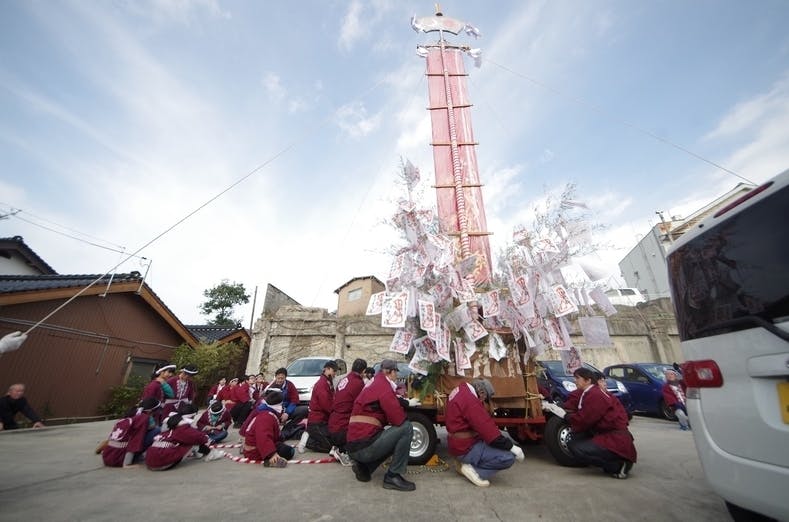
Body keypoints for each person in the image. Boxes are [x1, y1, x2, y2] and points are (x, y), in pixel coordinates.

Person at [543, 367, 637, 479]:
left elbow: (584, 419)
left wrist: (565, 415)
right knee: (576, 439)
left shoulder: (595, 394)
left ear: (588, 381)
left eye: (577, 378)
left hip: (614, 438)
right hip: (609, 434)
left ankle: (618, 464)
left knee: (576, 447)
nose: (575, 381)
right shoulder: (590, 393)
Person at [345, 359, 416, 492]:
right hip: (363, 447)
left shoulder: (375, 382)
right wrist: (408, 409)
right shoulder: (384, 387)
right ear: (390, 372)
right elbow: (398, 419)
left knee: (391, 437)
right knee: (406, 428)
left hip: (354, 445)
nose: (396, 376)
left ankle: (365, 468)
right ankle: (393, 476)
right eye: (396, 372)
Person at [445, 379, 524, 487]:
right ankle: (474, 471)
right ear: (481, 393)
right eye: (485, 399)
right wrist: (512, 447)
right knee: (508, 457)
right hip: (465, 448)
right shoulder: (470, 401)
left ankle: (463, 463)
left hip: (456, 445)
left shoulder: (461, 390)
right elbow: (490, 433)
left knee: (489, 444)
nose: (483, 402)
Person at [145, 404, 224, 471]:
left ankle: (199, 453)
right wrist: (206, 438)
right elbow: (201, 438)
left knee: (188, 440)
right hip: (161, 462)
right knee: (193, 440)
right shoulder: (183, 427)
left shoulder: (169, 423)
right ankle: (211, 454)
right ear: (192, 416)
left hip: (151, 460)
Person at [240, 389, 295, 467]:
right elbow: (263, 437)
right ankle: (269, 460)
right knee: (289, 451)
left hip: (257, 445)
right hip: (254, 450)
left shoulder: (266, 411)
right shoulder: (266, 417)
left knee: (283, 445)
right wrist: (272, 454)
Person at [101, 398, 161, 467]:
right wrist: (127, 463)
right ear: (150, 411)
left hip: (108, 456)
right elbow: (135, 441)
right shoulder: (143, 419)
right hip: (119, 458)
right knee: (157, 431)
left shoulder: (131, 414)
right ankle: (135, 458)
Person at [329, 358, 367, 465]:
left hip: (333, 422)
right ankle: (342, 451)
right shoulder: (358, 383)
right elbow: (361, 404)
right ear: (363, 371)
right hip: (343, 426)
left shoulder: (345, 379)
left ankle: (336, 447)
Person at [299, 360, 339, 457]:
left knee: (335, 441)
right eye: (334, 371)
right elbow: (326, 404)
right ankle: (308, 440)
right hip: (317, 422)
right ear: (327, 369)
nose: (335, 374)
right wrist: (335, 412)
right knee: (330, 447)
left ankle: (310, 435)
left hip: (323, 420)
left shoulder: (328, 382)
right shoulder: (322, 384)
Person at [265, 368, 308, 432]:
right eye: (278, 378)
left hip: (286, 409)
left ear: (285, 378)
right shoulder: (270, 387)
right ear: (275, 377)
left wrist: (287, 412)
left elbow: (294, 400)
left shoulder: (290, 385)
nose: (280, 380)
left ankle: (287, 429)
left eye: (282, 378)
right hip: (274, 410)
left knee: (304, 409)